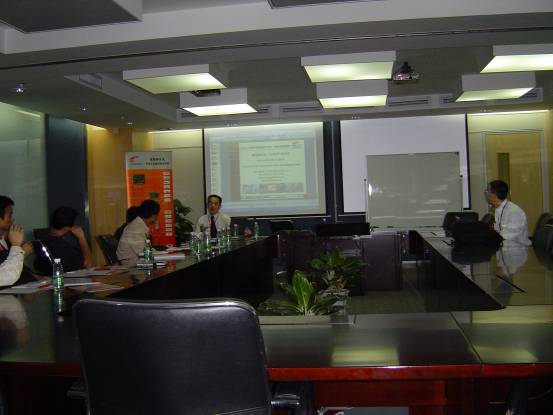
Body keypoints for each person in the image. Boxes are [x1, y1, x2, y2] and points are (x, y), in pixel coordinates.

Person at [35, 206, 93, 273]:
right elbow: (89, 264)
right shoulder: (62, 246)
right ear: (66, 228)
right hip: (68, 278)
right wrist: (82, 238)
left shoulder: (44, 240)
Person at [485, 180, 531, 246]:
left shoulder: (514, 212)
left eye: (487, 191)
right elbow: (497, 231)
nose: (486, 193)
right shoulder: (498, 209)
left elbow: (506, 237)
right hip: (505, 247)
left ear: (494, 194)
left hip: (518, 249)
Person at [0, 196, 33, 286]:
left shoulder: (6, 240)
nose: (12, 220)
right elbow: (7, 275)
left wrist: (36, 277)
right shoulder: (13, 242)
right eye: (9, 216)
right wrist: (18, 248)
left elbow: (19, 268)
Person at [116, 199, 160, 266]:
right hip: (130, 264)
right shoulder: (136, 228)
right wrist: (163, 255)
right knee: (164, 264)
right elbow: (144, 253)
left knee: (163, 261)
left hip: (135, 259)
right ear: (153, 216)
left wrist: (161, 254)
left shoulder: (138, 225)